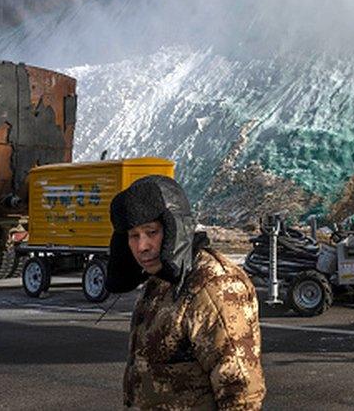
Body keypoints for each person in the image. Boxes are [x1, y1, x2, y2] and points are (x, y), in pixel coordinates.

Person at [105, 175, 266, 410]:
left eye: (151, 232)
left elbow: (240, 392)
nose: (142, 246)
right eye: (134, 236)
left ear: (175, 229)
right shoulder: (160, 280)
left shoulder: (213, 286)